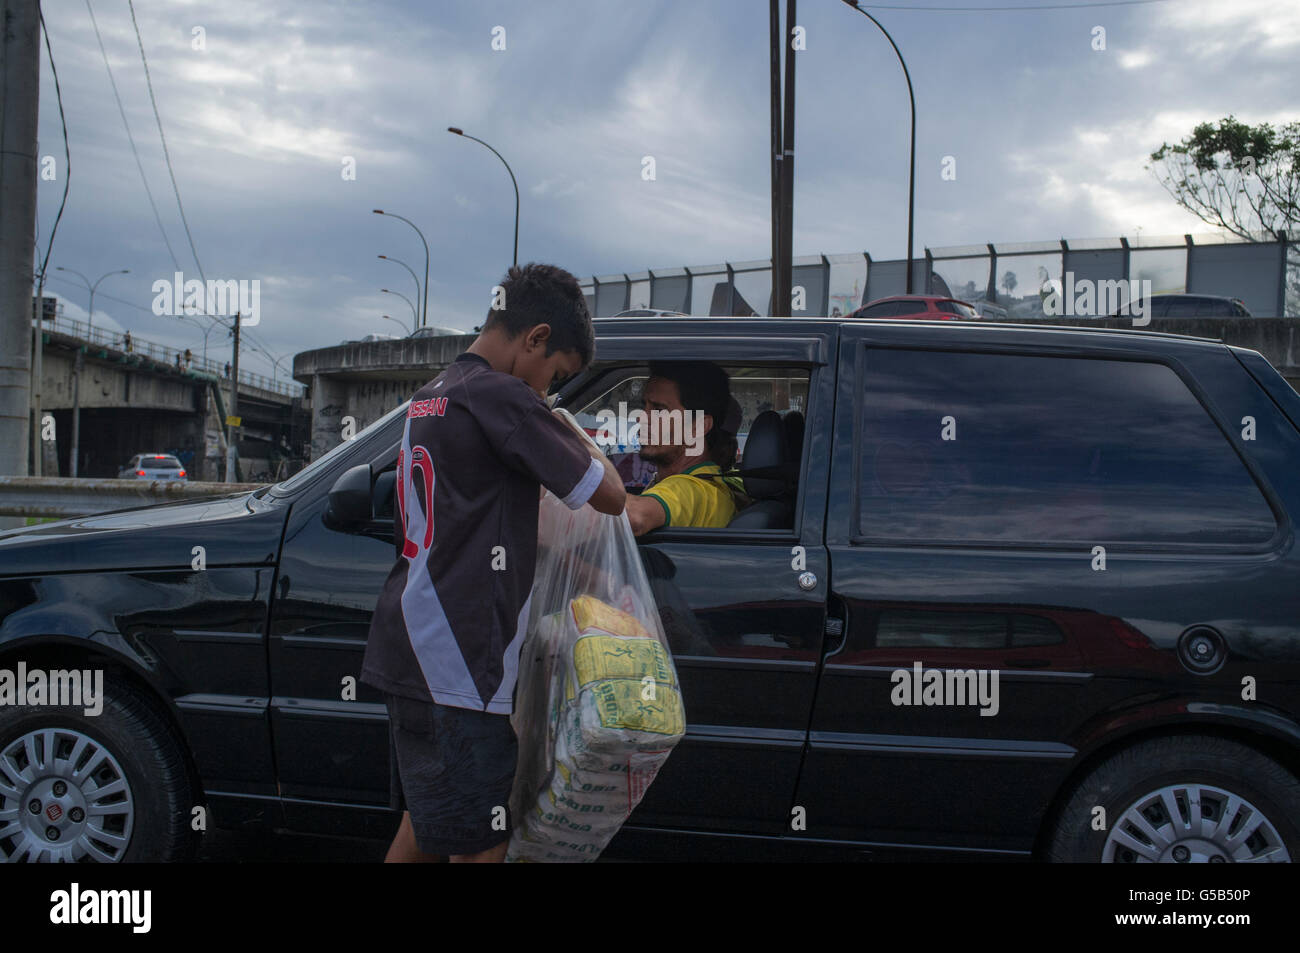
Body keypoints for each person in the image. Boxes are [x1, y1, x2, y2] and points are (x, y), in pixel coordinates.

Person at [360, 262, 626, 864]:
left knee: (430, 822)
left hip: (411, 641)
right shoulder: (502, 396)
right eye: (553, 377)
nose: (546, 394)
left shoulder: (434, 393)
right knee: (484, 843)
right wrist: (568, 427)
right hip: (457, 660)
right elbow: (609, 496)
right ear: (535, 338)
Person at [624, 361, 739, 535]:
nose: (642, 419)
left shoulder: (694, 490)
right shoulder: (727, 483)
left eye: (659, 410)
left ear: (699, 426)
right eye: (644, 406)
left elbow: (634, 517)